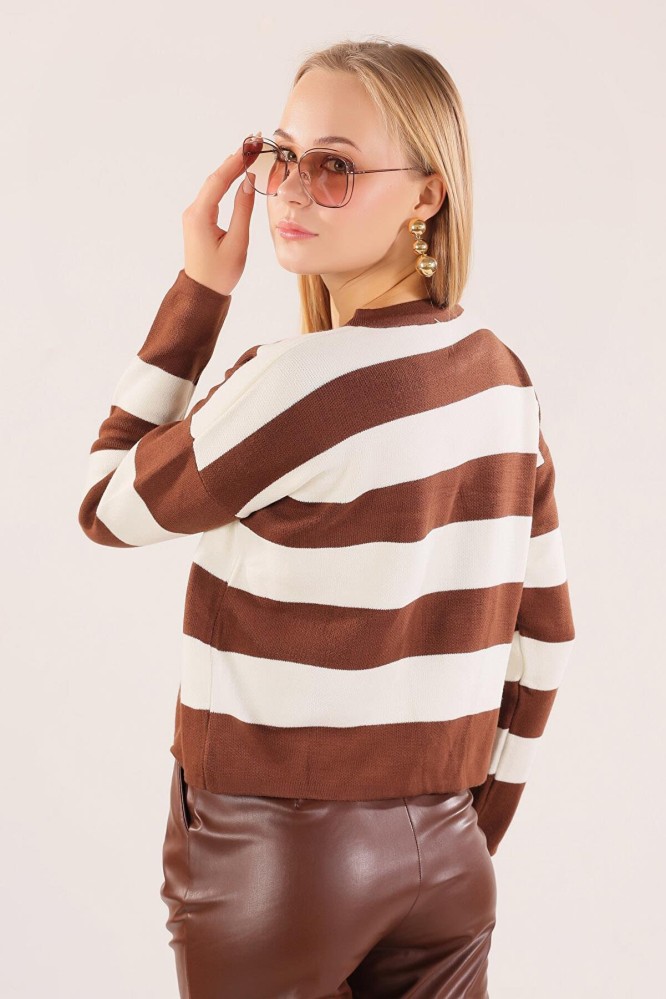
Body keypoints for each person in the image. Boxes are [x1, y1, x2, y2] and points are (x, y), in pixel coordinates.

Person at [78, 38, 575, 999]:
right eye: (281, 154)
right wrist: (465, 832)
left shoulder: (295, 384)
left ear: (427, 196)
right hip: (448, 860)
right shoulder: (502, 378)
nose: (291, 190)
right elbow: (546, 640)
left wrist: (199, 293)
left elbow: (107, 505)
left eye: (335, 166)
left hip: (279, 863)